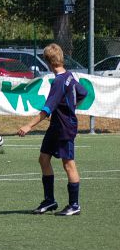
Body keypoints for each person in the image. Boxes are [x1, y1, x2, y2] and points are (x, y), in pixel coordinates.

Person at [17, 43, 88, 216]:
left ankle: (74, 205)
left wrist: (28, 126)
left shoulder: (59, 81)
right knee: (43, 159)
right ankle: (50, 201)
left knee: (68, 164)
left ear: (48, 62)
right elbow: (83, 93)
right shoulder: (69, 75)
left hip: (65, 127)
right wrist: (71, 106)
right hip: (56, 125)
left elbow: (46, 110)